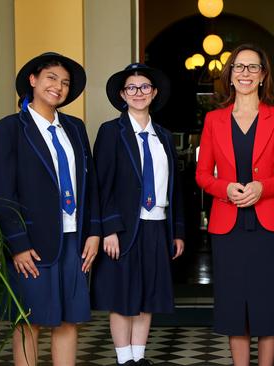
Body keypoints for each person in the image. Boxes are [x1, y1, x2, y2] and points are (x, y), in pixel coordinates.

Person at [0, 52, 101, 365]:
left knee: (69, 318)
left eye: (65, 83)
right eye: (52, 78)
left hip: (75, 240)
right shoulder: (10, 129)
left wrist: (94, 231)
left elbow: (90, 186)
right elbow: (2, 193)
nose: (59, 87)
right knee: (30, 319)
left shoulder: (76, 128)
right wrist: (18, 245)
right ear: (33, 80)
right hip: (33, 244)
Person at [195, 44, 274, 366]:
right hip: (227, 225)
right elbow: (202, 175)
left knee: (268, 301)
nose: (245, 73)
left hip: (269, 226)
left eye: (252, 67)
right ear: (229, 76)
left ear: (263, 75)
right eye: (239, 67)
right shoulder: (214, 120)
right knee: (232, 302)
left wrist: (263, 187)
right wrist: (225, 187)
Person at [90, 63, 185, 366]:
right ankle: (124, 359)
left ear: (154, 93)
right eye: (131, 88)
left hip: (157, 225)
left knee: (148, 294)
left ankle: (139, 357)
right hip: (123, 229)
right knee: (122, 295)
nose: (138, 93)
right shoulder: (110, 132)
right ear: (122, 94)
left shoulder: (164, 137)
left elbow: (175, 188)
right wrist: (109, 228)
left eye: (145, 87)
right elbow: (101, 185)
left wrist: (178, 230)